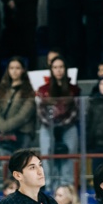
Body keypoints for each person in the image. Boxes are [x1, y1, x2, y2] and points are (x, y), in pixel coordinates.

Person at [36, 56, 80, 187]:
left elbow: (76, 110)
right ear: (51, 70)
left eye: (61, 67)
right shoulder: (43, 90)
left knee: (68, 157)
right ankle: (50, 185)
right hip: (47, 127)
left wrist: (62, 124)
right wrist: (51, 124)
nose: (58, 70)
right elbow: (40, 111)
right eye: (55, 67)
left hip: (68, 126)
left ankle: (67, 187)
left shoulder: (74, 89)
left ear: (65, 69)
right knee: (47, 157)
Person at [0, 57, 36, 152]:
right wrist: (2, 127)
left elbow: (24, 115)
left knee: (20, 164)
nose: (14, 71)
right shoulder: (1, 90)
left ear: (23, 70)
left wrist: (5, 127)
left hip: (22, 133)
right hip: (3, 135)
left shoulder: (29, 91)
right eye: (11, 68)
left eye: (17, 68)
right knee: (5, 164)